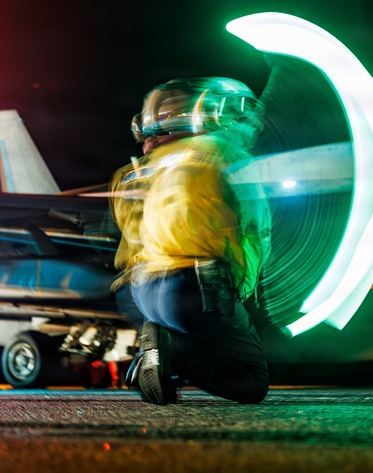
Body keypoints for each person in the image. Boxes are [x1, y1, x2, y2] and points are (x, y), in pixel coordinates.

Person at [109, 77, 272, 405]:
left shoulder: (137, 171)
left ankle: (160, 356)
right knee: (252, 382)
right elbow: (254, 227)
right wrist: (247, 279)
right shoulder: (225, 155)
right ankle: (173, 354)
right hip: (198, 284)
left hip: (144, 289)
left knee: (196, 340)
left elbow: (131, 235)